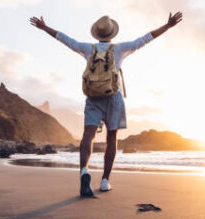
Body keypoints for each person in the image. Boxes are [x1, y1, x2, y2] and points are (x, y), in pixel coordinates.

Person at [30, 11, 183, 197]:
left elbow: (65, 39)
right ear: (111, 34)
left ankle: (84, 171)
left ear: (97, 34)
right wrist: (167, 26)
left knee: (88, 135)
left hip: (93, 97)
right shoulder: (119, 49)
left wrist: (45, 27)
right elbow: (145, 39)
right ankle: (104, 181)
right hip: (114, 97)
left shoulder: (88, 49)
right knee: (112, 137)